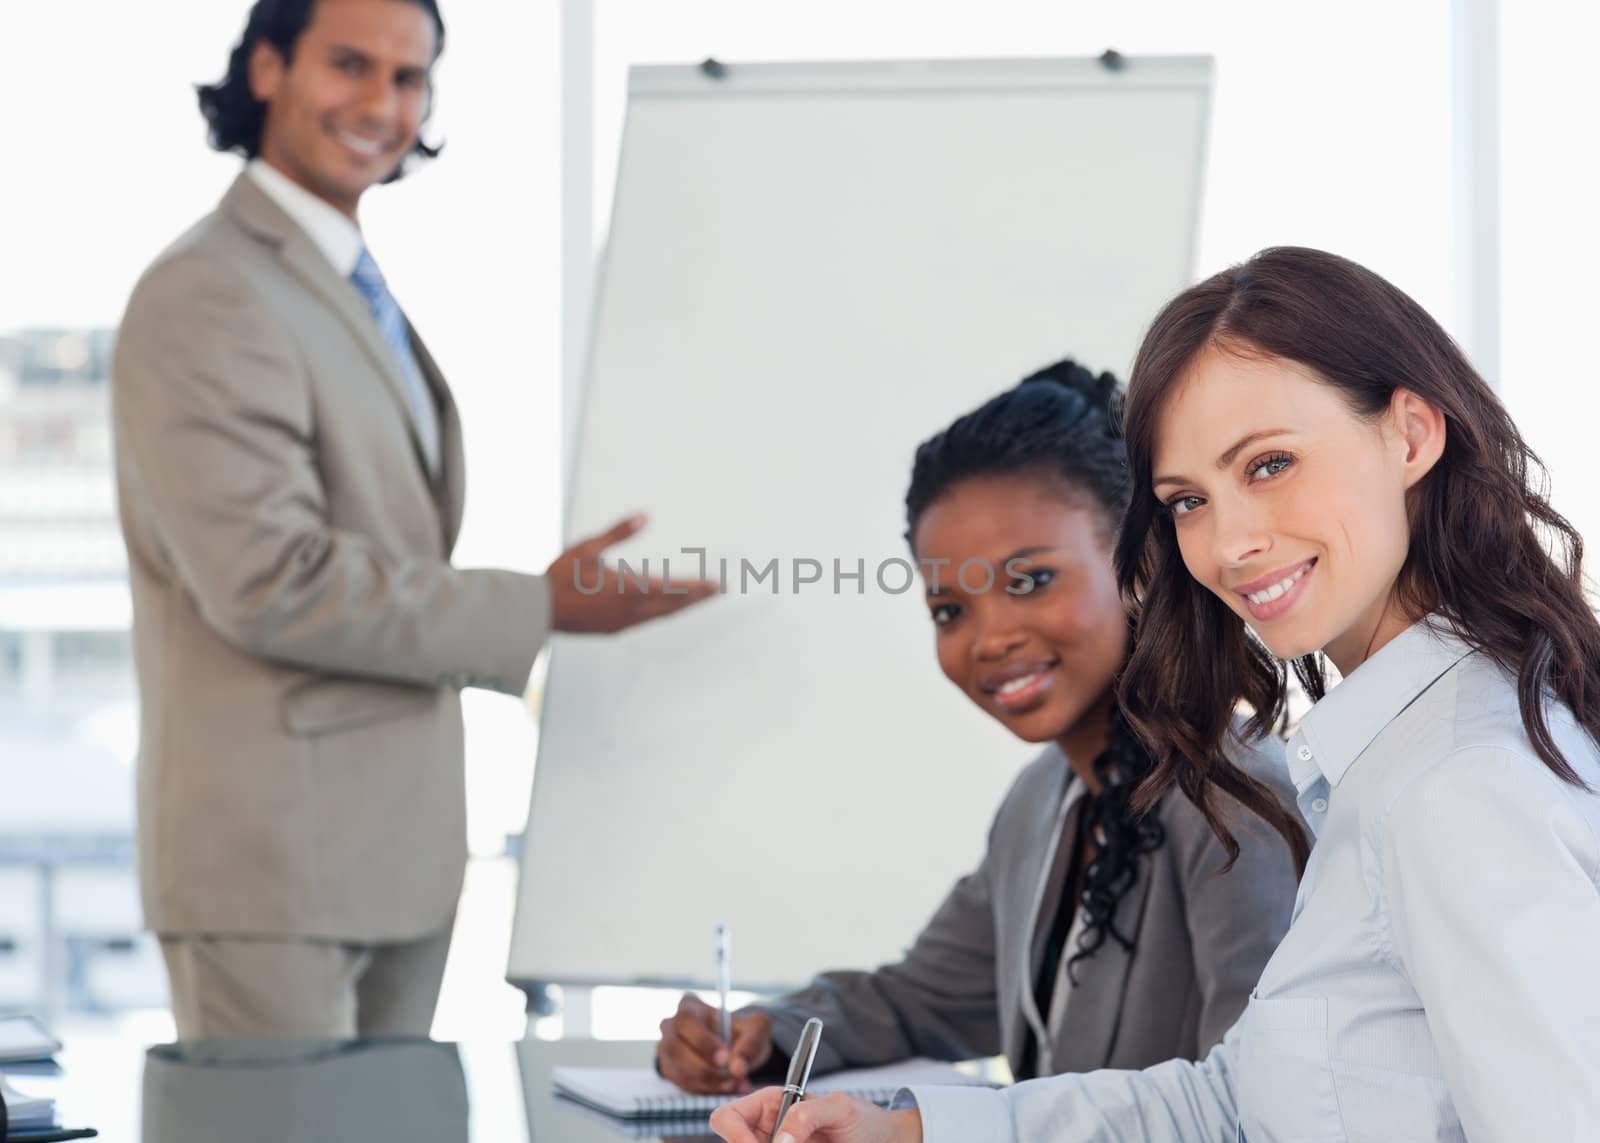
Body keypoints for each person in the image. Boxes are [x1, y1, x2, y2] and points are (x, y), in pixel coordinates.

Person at [710, 246, 1600, 1143]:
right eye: (1186, 501)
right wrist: (907, 1131)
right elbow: (1233, 1103)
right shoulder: (1388, 760)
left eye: (1267, 465)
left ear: (1410, 433)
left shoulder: (1455, 787)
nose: (1229, 544)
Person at [111, 0, 715, 1039]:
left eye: (408, 77)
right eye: (348, 65)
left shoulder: (339, 278)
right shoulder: (210, 289)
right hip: (274, 872)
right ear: (266, 68)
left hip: (390, 857)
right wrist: (539, 606)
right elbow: (268, 579)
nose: (382, 104)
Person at [658, 360, 1303, 1096]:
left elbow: (1255, 1106)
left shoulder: (1237, 803)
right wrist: (759, 1034)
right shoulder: (1048, 797)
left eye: (1029, 580)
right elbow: (921, 1000)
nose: (988, 638)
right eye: (950, 610)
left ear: (1138, 567)